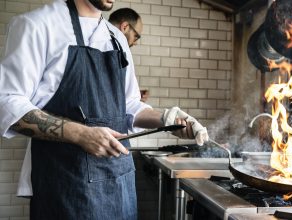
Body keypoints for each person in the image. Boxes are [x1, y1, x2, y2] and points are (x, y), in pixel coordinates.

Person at [0, 0, 208, 219]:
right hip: (66, 184)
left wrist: (167, 118)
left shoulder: (116, 38)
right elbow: (7, 103)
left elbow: (128, 104)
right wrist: (81, 134)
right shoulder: (37, 25)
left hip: (119, 182)